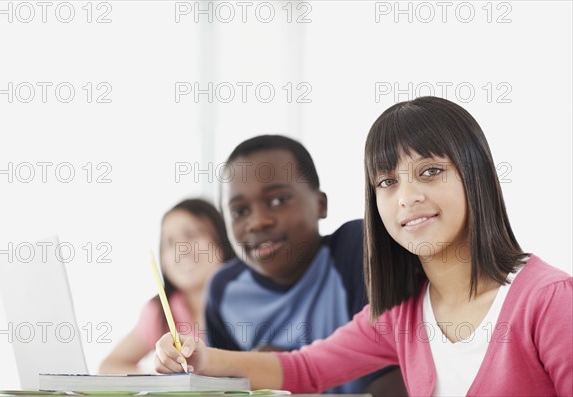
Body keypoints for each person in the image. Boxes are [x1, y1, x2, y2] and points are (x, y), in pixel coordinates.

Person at [153, 97, 573, 396]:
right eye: (387, 181)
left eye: (429, 171)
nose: (406, 196)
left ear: (475, 175)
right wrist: (200, 359)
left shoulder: (548, 301)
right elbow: (307, 368)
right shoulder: (401, 314)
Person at [204, 135, 403, 393]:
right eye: (240, 211)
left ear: (321, 204)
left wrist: (275, 373)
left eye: (277, 200)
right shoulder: (224, 290)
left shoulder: (359, 250)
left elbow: (396, 381)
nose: (258, 222)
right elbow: (224, 388)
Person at [99, 199, 234, 374]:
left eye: (191, 235)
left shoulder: (253, 300)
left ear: (222, 239)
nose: (181, 250)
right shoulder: (160, 311)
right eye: (169, 242)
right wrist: (162, 382)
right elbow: (109, 366)